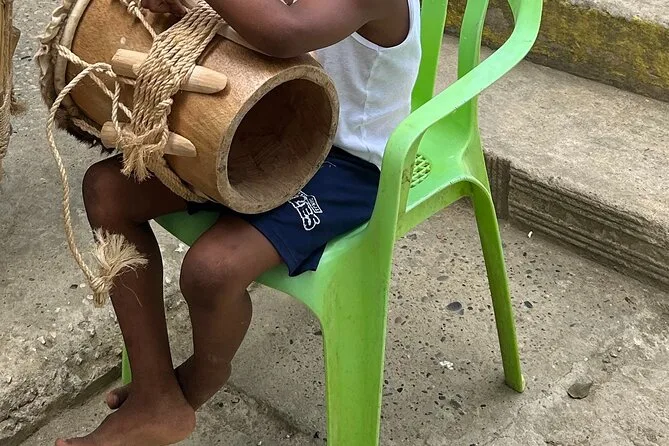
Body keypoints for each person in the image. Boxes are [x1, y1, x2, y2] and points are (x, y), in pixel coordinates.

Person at [56, 0, 420, 443]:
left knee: (212, 271)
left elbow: (284, 30)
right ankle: (155, 393)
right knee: (108, 190)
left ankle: (202, 376)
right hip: (262, 115)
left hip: (348, 165)